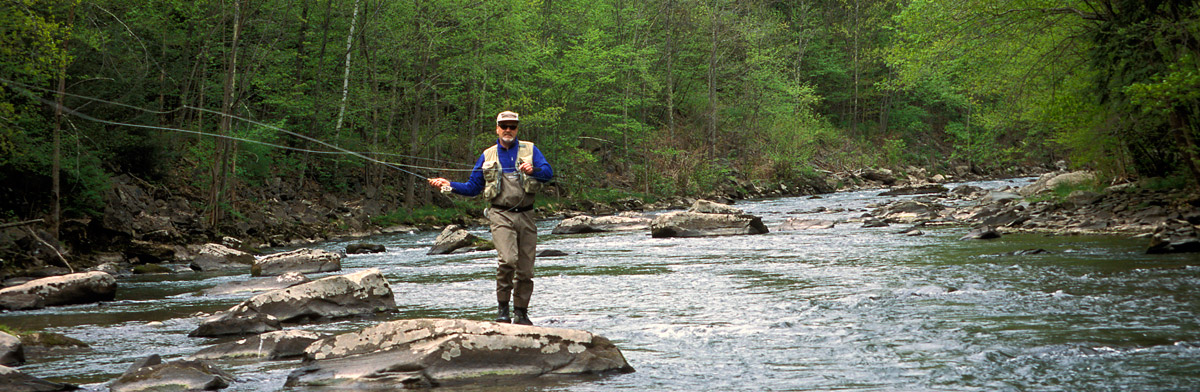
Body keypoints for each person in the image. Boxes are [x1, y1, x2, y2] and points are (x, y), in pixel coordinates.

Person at [428, 111, 553, 325]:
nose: (508, 130)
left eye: (512, 126)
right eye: (504, 126)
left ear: (517, 129)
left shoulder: (530, 149)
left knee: (525, 269)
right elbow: (472, 188)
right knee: (508, 260)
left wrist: (534, 170)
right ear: (497, 128)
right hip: (500, 214)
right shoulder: (488, 155)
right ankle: (503, 309)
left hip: (527, 215)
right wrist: (448, 184)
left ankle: (521, 312)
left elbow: (548, 173)